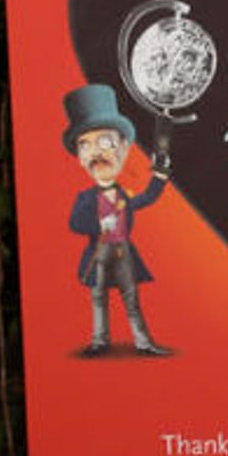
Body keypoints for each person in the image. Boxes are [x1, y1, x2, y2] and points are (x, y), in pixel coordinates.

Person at [63, 83, 170, 356]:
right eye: (85, 145)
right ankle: (100, 341)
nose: (96, 153)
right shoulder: (85, 198)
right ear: (79, 157)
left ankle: (143, 343)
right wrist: (99, 225)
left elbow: (147, 197)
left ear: (123, 148)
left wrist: (160, 172)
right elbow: (74, 223)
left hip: (122, 252)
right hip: (98, 253)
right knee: (98, 298)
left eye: (106, 142)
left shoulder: (125, 195)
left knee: (130, 297)